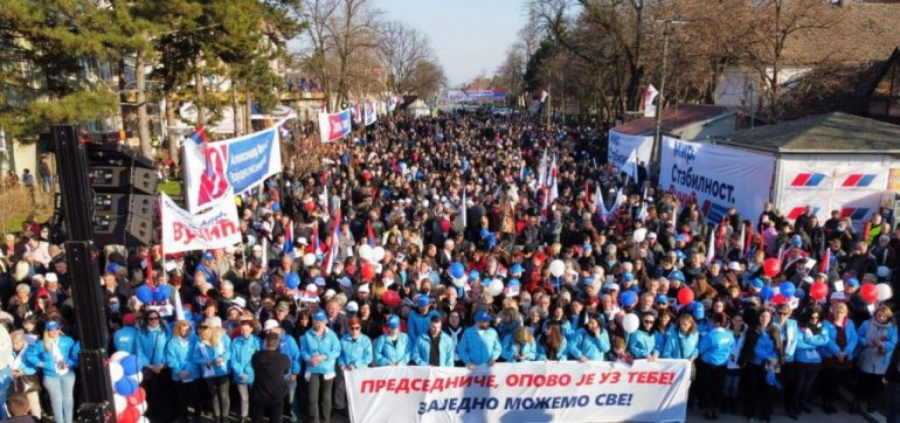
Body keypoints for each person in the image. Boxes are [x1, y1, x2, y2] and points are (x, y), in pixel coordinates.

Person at [26, 321, 78, 423]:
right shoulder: (41, 344)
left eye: (56, 329)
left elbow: (75, 354)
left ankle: (69, 421)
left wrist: (70, 363)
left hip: (67, 374)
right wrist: (41, 364)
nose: (54, 331)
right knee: (56, 399)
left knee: (68, 398)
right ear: (47, 331)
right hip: (50, 376)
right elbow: (30, 355)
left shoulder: (68, 340)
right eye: (51, 330)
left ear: (59, 329)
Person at [738, 308, 782, 423]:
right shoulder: (752, 330)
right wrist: (742, 360)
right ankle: (750, 413)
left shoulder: (774, 330)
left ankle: (765, 415)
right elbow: (747, 346)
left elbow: (778, 347)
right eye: (762, 316)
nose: (765, 319)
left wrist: (776, 361)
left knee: (768, 391)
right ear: (758, 317)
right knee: (753, 390)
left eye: (767, 317)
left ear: (770, 318)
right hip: (754, 364)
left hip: (769, 366)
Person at [855, 305, 898, 413]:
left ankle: (872, 403)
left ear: (888, 317)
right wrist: (866, 342)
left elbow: (894, 343)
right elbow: (858, 336)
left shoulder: (892, 328)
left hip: (881, 361)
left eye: (884, 317)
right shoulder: (867, 324)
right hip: (867, 357)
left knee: (876, 385)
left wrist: (883, 344)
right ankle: (856, 402)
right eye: (879, 315)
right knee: (863, 382)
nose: (881, 318)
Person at [299, 310, 340, 423]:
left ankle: (326, 419)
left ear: (325, 322)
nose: (318, 324)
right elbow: (303, 351)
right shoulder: (307, 335)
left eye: (321, 322)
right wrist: (309, 359)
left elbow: (337, 351)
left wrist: (324, 357)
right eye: (316, 321)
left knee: (326, 397)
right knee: (312, 398)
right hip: (312, 368)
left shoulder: (332, 335)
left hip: (327, 369)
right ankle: (314, 420)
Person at [820, 302, 857, 414]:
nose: (839, 314)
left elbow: (854, 338)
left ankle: (832, 401)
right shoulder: (827, 322)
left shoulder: (849, 323)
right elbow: (827, 339)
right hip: (831, 356)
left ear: (846, 313)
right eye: (837, 311)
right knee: (829, 380)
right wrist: (837, 352)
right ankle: (826, 402)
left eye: (842, 312)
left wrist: (846, 352)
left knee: (838, 380)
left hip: (845, 356)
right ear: (833, 311)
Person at [193, 318, 232, 423]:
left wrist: (222, 358)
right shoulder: (200, 340)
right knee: (214, 394)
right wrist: (207, 361)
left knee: (224, 395)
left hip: (222, 371)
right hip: (209, 372)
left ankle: (225, 417)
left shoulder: (224, 338)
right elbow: (196, 357)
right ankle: (218, 417)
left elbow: (229, 352)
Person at [697, 312, 735, 420]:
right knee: (719, 388)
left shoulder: (710, 336)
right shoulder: (729, 335)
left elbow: (701, 349)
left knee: (708, 388)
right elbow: (731, 347)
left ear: (715, 322)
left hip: (708, 365)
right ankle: (716, 410)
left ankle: (709, 410)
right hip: (722, 365)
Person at [792, 307, 829, 416]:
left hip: (816, 360)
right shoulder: (800, 327)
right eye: (812, 317)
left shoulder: (822, 328)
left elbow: (825, 341)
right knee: (799, 384)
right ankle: (795, 403)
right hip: (802, 360)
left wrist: (809, 340)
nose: (814, 319)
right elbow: (798, 344)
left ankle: (804, 402)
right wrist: (814, 345)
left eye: (817, 317)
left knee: (809, 384)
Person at [164, 320, 201, 423]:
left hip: (193, 374)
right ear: (178, 329)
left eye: (188, 328)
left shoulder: (196, 340)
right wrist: (180, 370)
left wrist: (188, 369)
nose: (185, 330)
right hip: (178, 375)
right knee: (181, 398)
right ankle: (184, 417)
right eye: (183, 327)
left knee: (195, 397)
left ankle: (197, 416)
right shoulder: (172, 342)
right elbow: (170, 359)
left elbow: (196, 356)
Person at [136, 309, 169, 422]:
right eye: (151, 318)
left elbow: (168, 348)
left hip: (163, 368)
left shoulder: (165, 330)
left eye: (156, 318)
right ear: (146, 320)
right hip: (149, 368)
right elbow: (139, 350)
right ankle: (153, 417)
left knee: (164, 393)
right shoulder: (141, 332)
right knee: (151, 394)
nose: (154, 320)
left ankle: (165, 417)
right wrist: (149, 365)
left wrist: (162, 364)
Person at [250, 332, 291, 423]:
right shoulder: (283, 358)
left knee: (257, 419)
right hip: (277, 394)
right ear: (278, 344)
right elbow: (286, 371)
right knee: (275, 419)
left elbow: (253, 366)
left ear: (265, 342)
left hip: (259, 393)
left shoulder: (256, 356)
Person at [335, 317, 373, 415]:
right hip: (346, 369)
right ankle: (340, 408)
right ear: (348, 328)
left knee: (359, 390)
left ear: (360, 328)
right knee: (341, 387)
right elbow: (340, 354)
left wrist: (355, 364)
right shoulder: (343, 339)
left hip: (360, 370)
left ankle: (361, 408)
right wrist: (342, 363)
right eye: (352, 328)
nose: (354, 330)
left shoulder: (366, 340)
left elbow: (368, 357)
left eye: (357, 328)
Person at [231, 318, 260, 422]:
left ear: (251, 329)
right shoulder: (235, 341)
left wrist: (248, 370)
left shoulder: (256, 341)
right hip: (240, 374)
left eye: (247, 330)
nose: (244, 332)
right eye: (242, 330)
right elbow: (233, 358)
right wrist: (240, 371)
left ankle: (255, 415)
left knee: (254, 396)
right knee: (243, 397)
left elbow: (258, 357)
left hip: (253, 373)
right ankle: (244, 415)